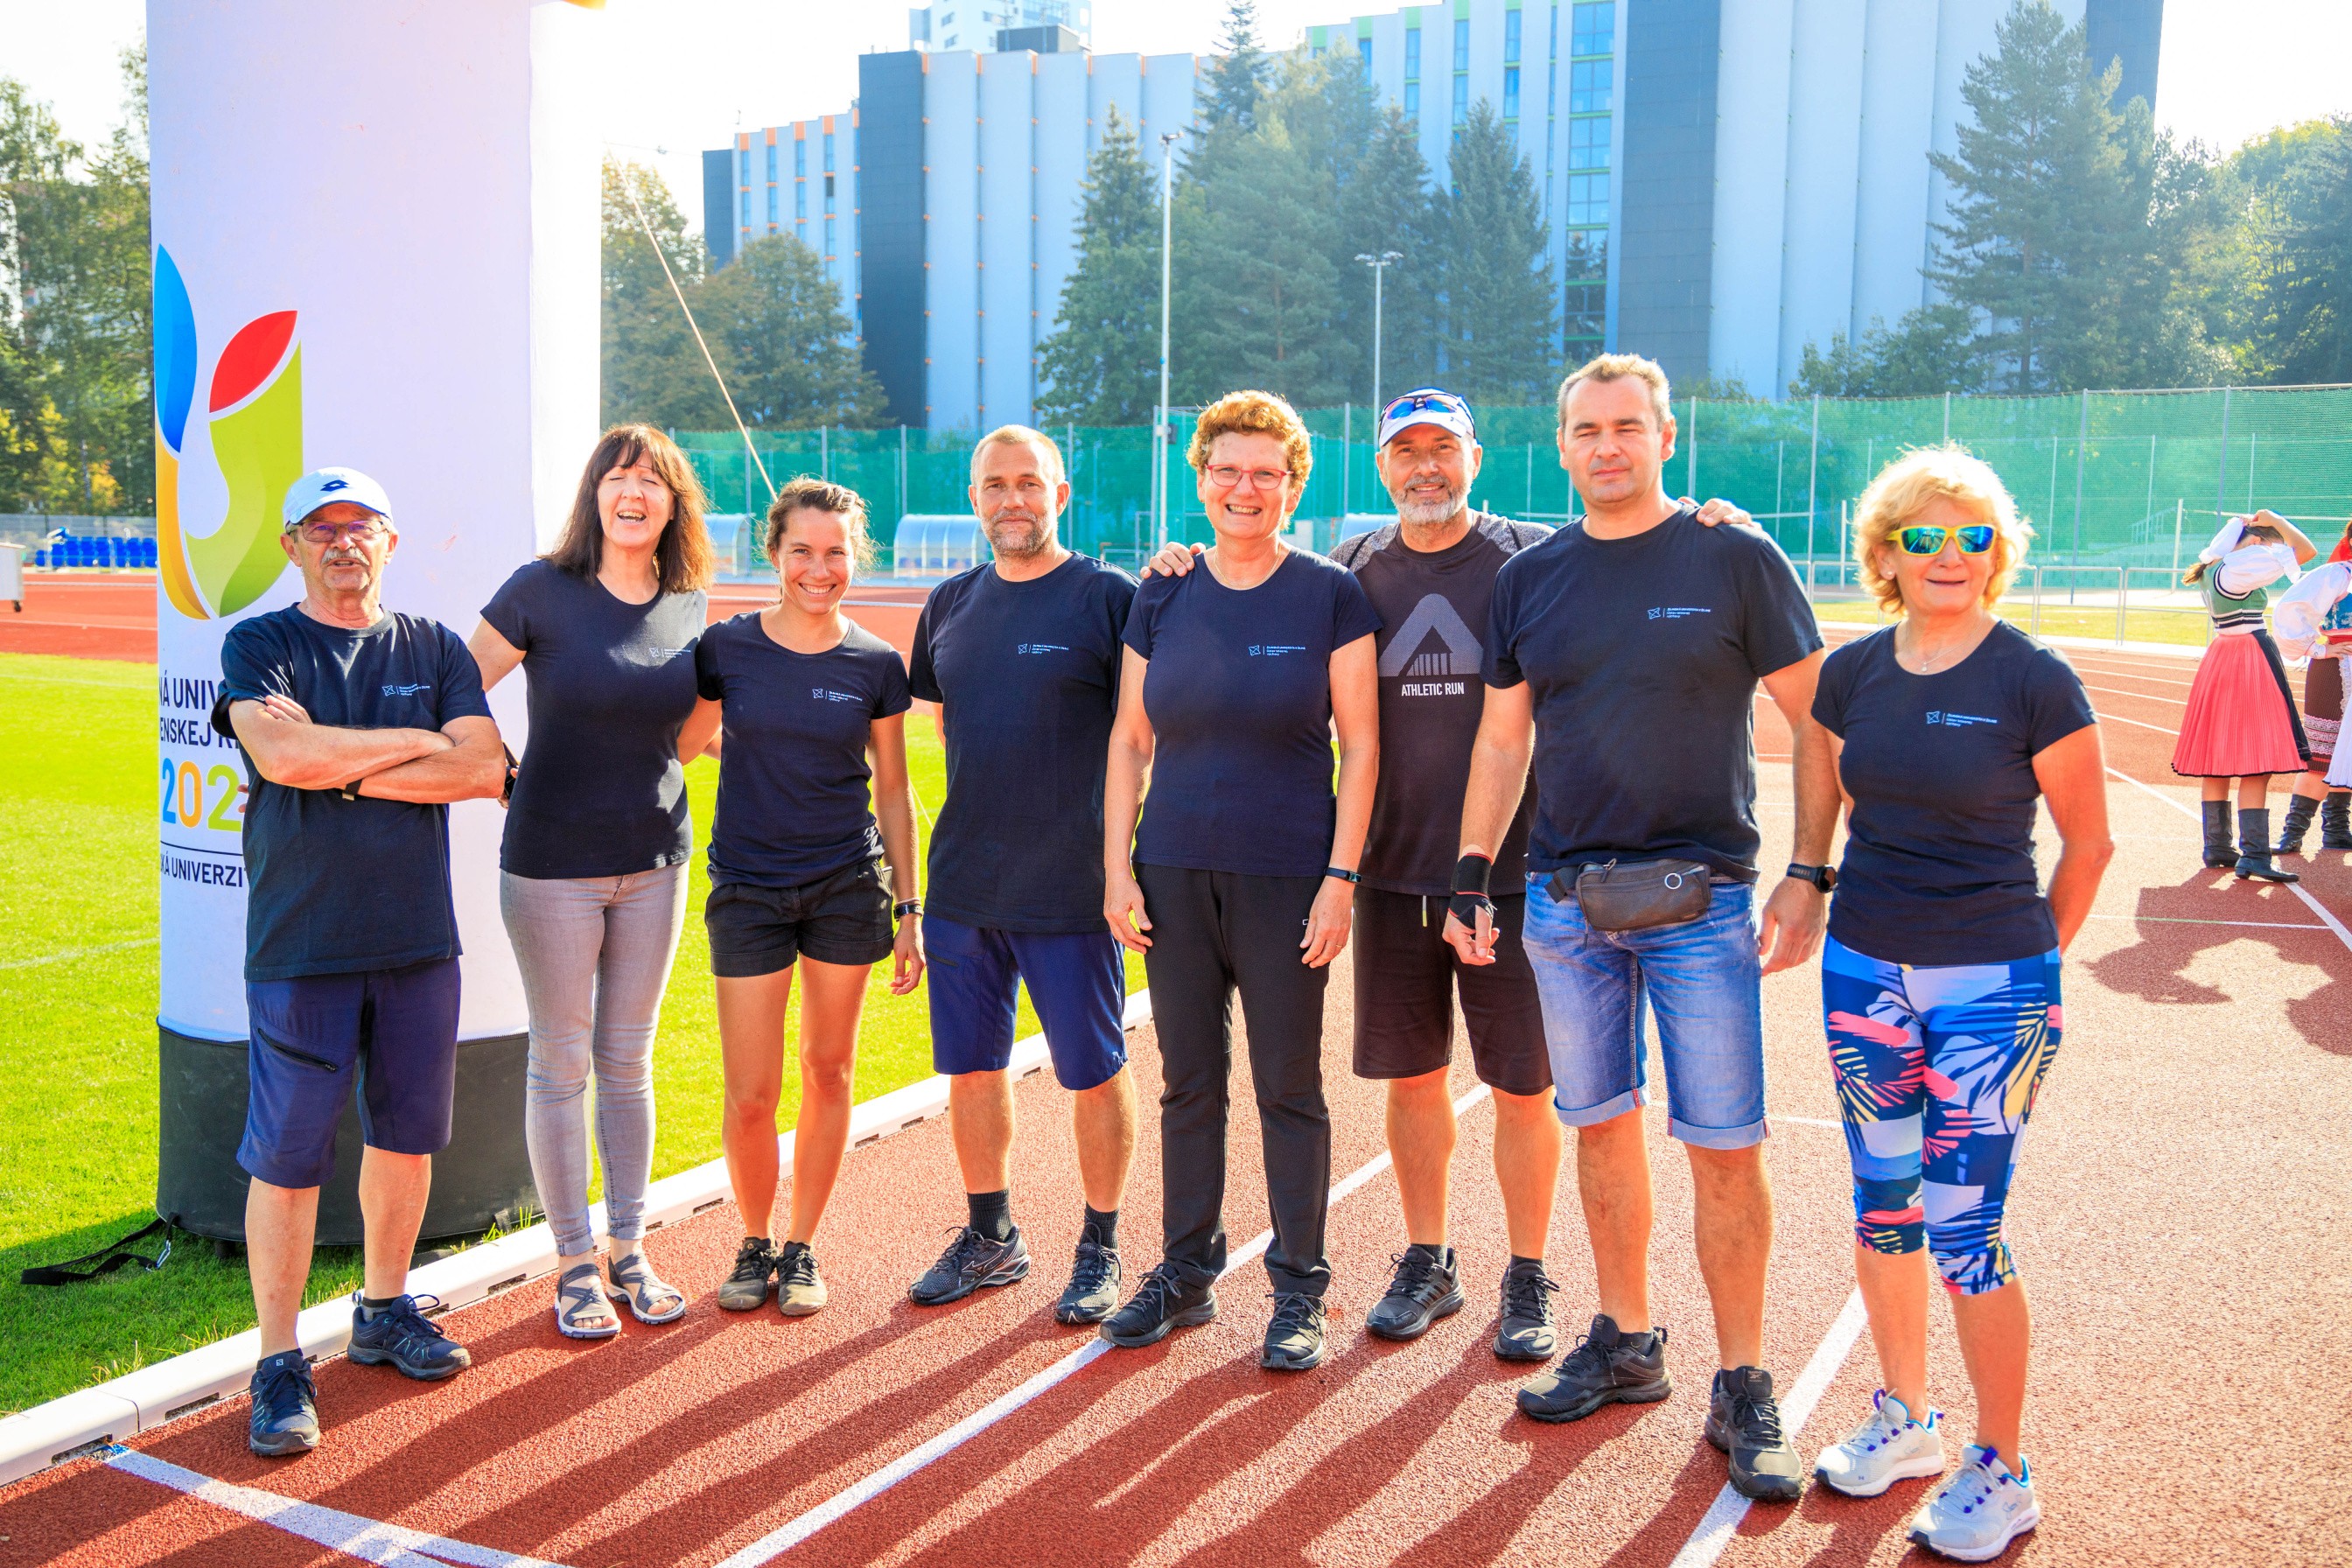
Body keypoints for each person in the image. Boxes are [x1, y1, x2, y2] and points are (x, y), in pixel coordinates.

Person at [1142, 386, 1765, 1362]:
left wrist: (1702, 521)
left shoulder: (1532, 558)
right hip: (1390, 872)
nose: (1425, 467)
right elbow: (1252, 587)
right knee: (1414, 1077)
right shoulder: (1349, 571)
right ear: (1381, 466)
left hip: (1514, 874)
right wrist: (1179, 559)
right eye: (1406, 451)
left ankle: (1527, 1270)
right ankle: (1428, 1257)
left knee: (1521, 1086)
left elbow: (1626, 545)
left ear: (1476, 458)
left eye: (1443, 449)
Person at [1446, 353, 1833, 1504]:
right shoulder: (1529, 580)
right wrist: (1471, 874)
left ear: (1665, 437)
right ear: (1562, 444)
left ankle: (1745, 1380)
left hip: (1701, 906)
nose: (1606, 446)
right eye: (1587, 429)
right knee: (1599, 1128)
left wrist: (1811, 872)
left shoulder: (1735, 557)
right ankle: (1626, 1338)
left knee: (1725, 1143)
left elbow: (1820, 722)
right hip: (1565, 908)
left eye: (1627, 426)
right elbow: (1504, 739)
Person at [1805, 447, 2111, 1563]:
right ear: (1885, 554)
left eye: (1973, 535)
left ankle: (2004, 1466)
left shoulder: (2034, 677)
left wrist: (2028, 971)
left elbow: (2089, 842)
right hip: (1864, 973)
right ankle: (1906, 1418)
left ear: (1998, 553)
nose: (1950, 554)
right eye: (1924, 536)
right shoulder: (1851, 672)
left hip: (1994, 984)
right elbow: (1837, 800)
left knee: (1966, 1224)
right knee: (1883, 1204)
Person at [216, 467, 508, 1457]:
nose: (344, 542)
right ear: (292, 546)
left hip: (418, 943)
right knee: (289, 1156)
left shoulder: (433, 645)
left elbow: (482, 768)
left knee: (406, 1139)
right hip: (302, 943)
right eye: (322, 528)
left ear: (391, 542)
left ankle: (383, 1310)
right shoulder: (261, 644)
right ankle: (277, 1359)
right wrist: (413, 744)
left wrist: (343, 764)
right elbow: (283, 760)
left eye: (362, 526)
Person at [1098, 389, 1381, 1371]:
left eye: (1266, 472)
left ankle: (1299, 1289)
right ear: (1203, 478)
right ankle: (1186, 1273)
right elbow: (1129, 740)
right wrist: (1117, 869)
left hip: (1287, 877)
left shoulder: (1331, 595)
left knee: (1288, 1087)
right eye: (1227, 469)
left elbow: (1362, 747)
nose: (1245, 487)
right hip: (1172, 873)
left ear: (1294, 485)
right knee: (1188, 1084)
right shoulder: (1162, 592)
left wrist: (1340, 879)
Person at [466, 425, 713, 1339]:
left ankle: (629, 1248)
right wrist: (497, 767)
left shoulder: (688, 605)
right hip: (551, 867)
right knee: (561, 1062)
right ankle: (574, 1261)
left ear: (674, 503)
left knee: (628, 1061)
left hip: (656, 864)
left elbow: (691, 733)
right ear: (595, 494)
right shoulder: (540, 590)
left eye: (652, 480)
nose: (633, 492)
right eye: (618, 477)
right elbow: (459, 685)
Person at [902, 426, 1140, 1323]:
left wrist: (1119, 865)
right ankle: (991, 1236)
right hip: (965, 886)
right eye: (995, 485)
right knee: (971, 1068)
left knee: (1093, 1070)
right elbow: (946, 725)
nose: (1013, 500)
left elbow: (1142, 739)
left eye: (1030, 483)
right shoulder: (948, 603)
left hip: (1072, 887)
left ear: (1060, 494)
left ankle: (1101, 1244)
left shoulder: (1108, 599)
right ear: (975, 499)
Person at [690, 478, 926, 1318]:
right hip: (747, 890)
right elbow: (683, 741)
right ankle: (754, 1241)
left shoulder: (875, 663)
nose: (818, 570)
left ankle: (801, 1246)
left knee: (828, 1070)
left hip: (846, 888)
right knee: (750, 1091)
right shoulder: (724, 648)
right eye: (802, 551)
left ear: (855, 557)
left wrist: (909, 910)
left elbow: (894, 791)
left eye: (835, 553)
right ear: (774, 553)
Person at [2171, 509, 2316, 881]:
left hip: (2221, 655)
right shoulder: (2238, 567)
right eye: (2266, 543)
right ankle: (2254, 855)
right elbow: (2306, 550)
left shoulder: (2212, 567)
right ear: (2254, 541)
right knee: (2258, 758)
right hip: (2249, 656)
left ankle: (2218, 847)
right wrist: (2277, 520)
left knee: (2217, 756)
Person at [2267, 517, 2352, 857]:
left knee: (2350, 752)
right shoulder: (2337, 575)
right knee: (2322, 753)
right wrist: (2318, 649)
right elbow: (2290, 612)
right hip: (2337, 669)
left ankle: (2337, 829)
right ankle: (2293, 833)